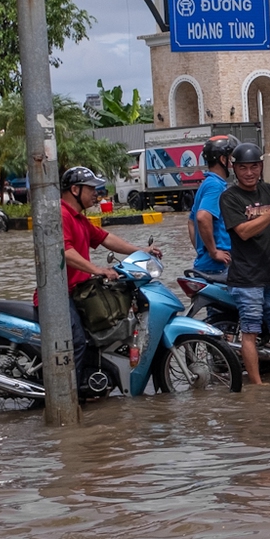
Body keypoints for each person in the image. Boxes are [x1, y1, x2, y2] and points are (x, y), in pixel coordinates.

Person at [53, 165, 160, 400]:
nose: (96, 194)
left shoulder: (79, 218)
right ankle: (69, 394)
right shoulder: (61, 215)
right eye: (91, 189)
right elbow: (65, 252)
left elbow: (106, 239)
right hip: (59, 296)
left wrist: (141, 251)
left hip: (80, 292)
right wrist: (98, 270)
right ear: (74, 189)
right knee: (78, 342)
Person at [221, 141, 270, 386]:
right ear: (234, 169)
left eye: (254, 167)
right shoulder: (229, 197)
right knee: (250, 332)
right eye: (243, 168)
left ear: (261, 167)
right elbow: (243, 232)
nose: (249, 173)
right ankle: (257, 387)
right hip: (246, 278)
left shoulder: (268, 190)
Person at [189, 135, 238, 280]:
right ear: (223, 160)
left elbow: (191, 222)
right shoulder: (215, 186)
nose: (234, 164)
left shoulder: (206, 183)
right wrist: (213, 252)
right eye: (232, 159)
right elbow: (202, 218)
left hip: (204, 265)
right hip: (218, 268)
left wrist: (201, 249)